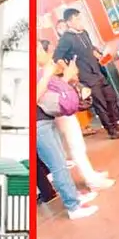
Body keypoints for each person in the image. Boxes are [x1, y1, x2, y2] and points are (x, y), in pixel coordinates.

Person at [36, 44, 99, 220]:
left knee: (60, 163)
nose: (45, 53)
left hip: (44, 120)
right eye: (40, 49)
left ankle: (75, 197)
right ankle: (73, 206)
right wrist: (50, 74)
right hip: (38, 124)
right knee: (58, 166)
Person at [52, 9, 119, 140]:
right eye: (77, 19)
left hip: (97, 72)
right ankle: (111, 130)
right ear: (69, 22)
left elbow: (90, 48)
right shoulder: (66, 38)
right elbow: (57, 57)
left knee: (111, 98)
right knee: (101, 104)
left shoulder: (84, 33)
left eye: (80, 18)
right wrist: (69, 70)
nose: (81, 21)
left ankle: (115, 123)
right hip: (86, 76)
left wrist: (101, 57)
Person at [48, 58, 115, 191]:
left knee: (77, 144)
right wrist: (66, 77)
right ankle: (91, 179)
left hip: (60, 107)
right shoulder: (40, 71)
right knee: (75, 145)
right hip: (58, 108)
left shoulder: (46, 67)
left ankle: (90, 174)